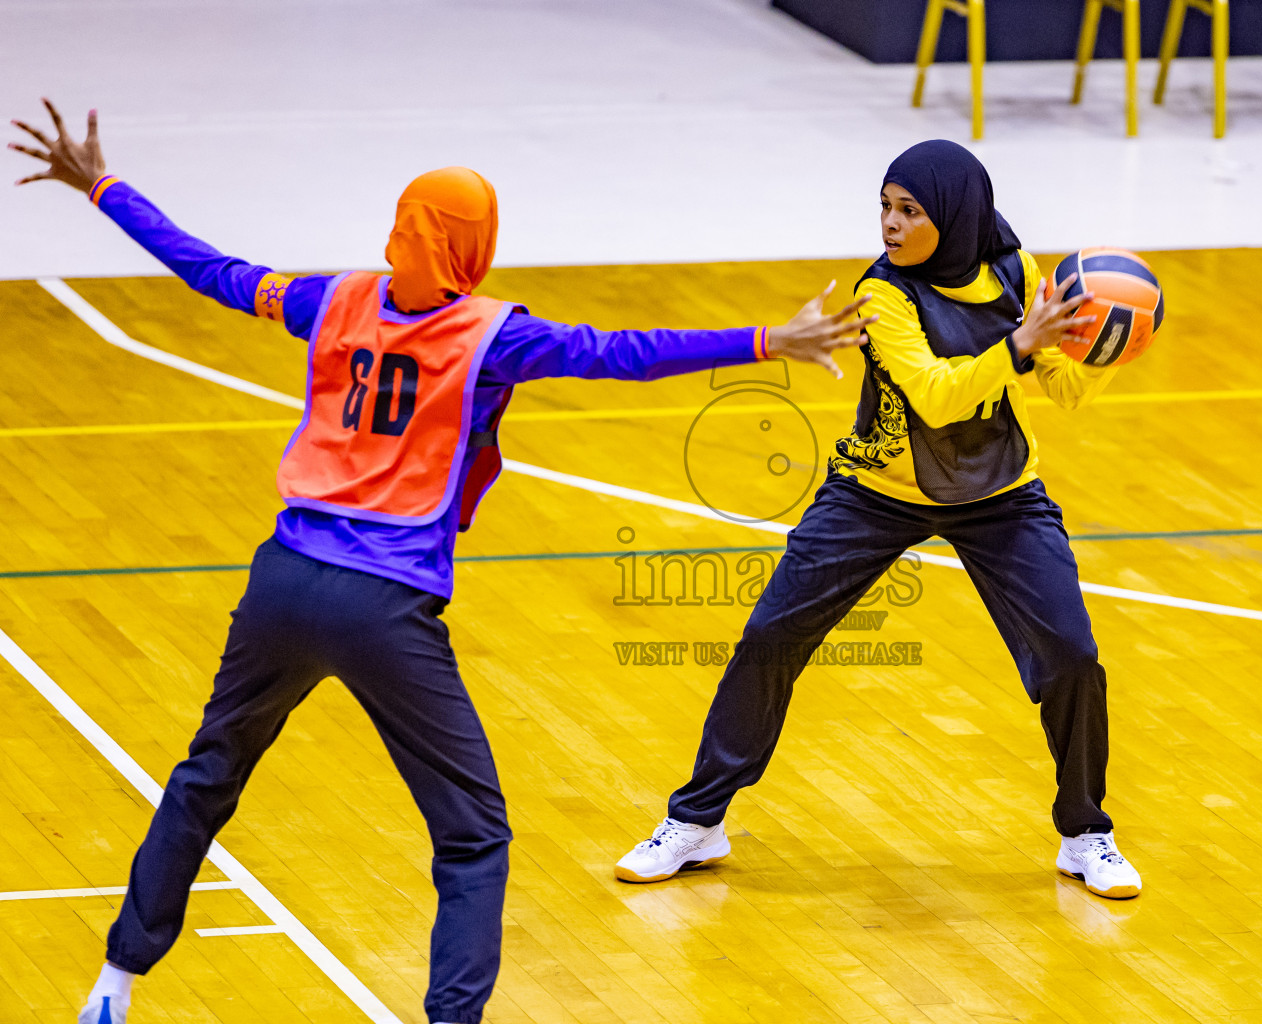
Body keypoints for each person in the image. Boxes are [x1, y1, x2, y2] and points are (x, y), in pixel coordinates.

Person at [9, 100, 874, 1024]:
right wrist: (764, 341)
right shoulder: (495, 336)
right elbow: (621, 353)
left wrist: (103, 187)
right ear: (476, 246)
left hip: (283, 578)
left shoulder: (329, 298)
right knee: (473, 837)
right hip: (384, 605)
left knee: (206, 774)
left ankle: (114, 984)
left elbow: (212, 271)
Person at [615, 139, 1144, 901]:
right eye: (886, 209)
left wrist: (1099, 350)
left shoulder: (1016, 272)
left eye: (910, 211)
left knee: (1071, 653)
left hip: (999, 492)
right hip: (878, 488)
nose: (891, 226)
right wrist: (1019, 347)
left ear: (957, 217)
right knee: (771, 635)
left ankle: (1085, 831)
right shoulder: (883, 294)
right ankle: (698, 821)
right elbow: (934, 394)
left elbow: (1062, 392)